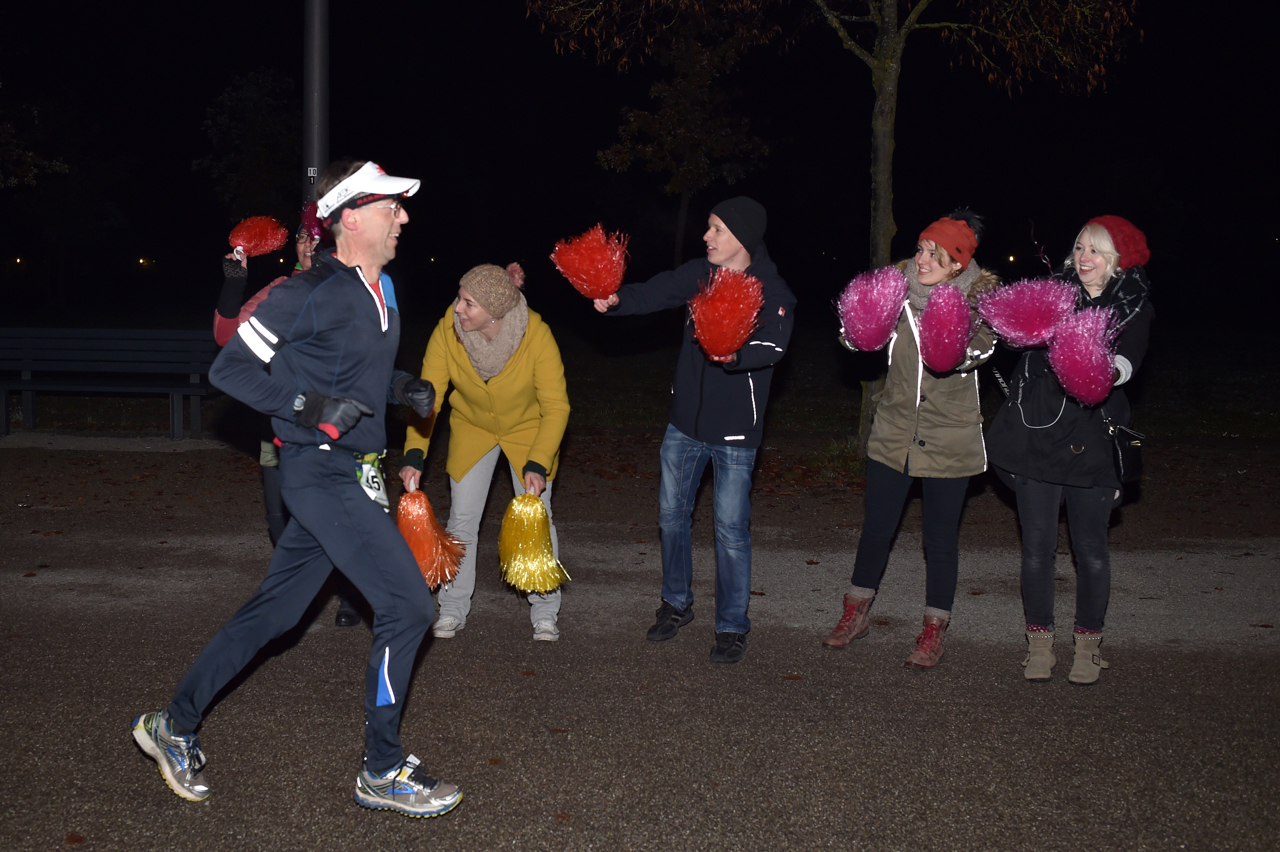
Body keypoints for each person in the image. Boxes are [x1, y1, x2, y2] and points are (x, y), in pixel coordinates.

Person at [130, 159, 463, 818]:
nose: (403, 216)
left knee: (273, 616)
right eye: (390, 206)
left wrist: (400, 389)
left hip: (356, 476)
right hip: (318, 470)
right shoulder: (305, 291)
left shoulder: (380, 288)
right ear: (351, 216)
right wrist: (310, 407)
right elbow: (230, 369)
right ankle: (383, 769)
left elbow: (360, 366)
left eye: (401, 206)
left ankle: (173, 725)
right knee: (410, 608)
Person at [595, 197, 795, 665]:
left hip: (734, 435)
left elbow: (773, 345)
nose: (707, 236)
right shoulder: (700, 275)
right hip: (684, 424)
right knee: (670, 517)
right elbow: (658, 291)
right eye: (708, 227)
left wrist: (735, 356)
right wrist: (617, 300)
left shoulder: (773, 290)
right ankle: (676, 604)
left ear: (741, 237)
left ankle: (731, 625)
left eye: (717, 229)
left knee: (729, 531)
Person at [823, 211, 998, 668]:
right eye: (920, 248)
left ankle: (933, 630)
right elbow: (857, 339)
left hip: (949, 437)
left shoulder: (981, 304)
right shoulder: (895, 291)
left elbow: (980, 350)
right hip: (895, 430)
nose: (920, 258)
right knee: (876, 529)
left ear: (957, 264)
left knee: (939, 540)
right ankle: (855, 612)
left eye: (932, 254)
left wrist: (951, 345)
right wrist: (857, 330)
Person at [985, 216, 1152, 685]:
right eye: (1079, 246)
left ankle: (1087, 646)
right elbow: (1015, 343)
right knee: (1037, 549)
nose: (1083, 257)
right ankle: (1039, 646)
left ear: (1117, 261)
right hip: (1040, 434)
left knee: (1091, 550)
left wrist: (1099, 369)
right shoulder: (1052, 298)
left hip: (1095, 439)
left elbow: (1126, 364)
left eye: (1096, 250)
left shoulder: (1133, 306)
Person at [399, 262, 571, 642]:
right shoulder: (448, 331)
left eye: (468, 303)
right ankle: (452, 609)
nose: (458, 308)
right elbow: (429, 396)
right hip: (473, 427)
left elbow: (557, 406)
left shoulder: (536, 335)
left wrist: (538, 461)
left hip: (528, 430)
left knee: (537, 517)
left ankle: (545, 610)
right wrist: (415, 453)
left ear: (494, 312)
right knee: (462, 520)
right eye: (460, 298)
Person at [213, 213, 363, 628]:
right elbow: (228, 336)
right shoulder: (280, 291)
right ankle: (303, 592)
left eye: (317, 238)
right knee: (281, 520)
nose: (308, 245)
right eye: (302, 238)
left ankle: (352, 590)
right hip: (284, 420)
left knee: (342, 515)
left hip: (339, 424)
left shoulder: (352, 288)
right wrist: (234, 283)